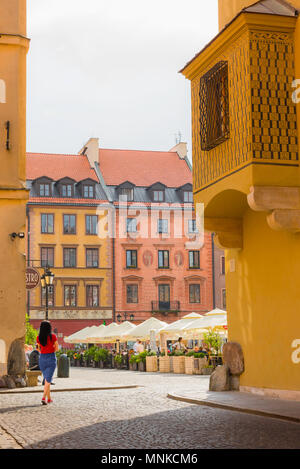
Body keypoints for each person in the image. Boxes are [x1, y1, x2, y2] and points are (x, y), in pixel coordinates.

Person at [36, 320, 59, 405]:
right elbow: (57, 349)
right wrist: (52, 347)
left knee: (47, 379)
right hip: (51, 358)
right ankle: (43, 397)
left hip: (42, 358)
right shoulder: (53, 336)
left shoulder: (38, 338)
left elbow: (38, 349)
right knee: (48, 380)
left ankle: (49, 398)